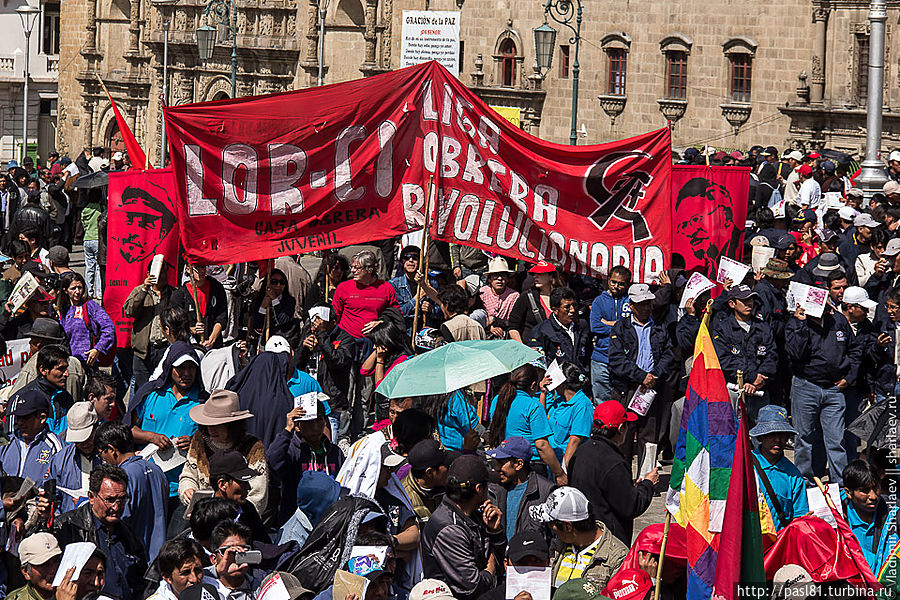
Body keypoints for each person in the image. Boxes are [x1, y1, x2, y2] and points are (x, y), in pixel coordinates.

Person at [786, 299, 861, 486]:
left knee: (836, 440)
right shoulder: (795, 321)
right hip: (806, 387)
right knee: (805, 439)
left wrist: (849, 378)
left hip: (834, 389)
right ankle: (805, 484)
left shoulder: (838, 320)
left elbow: (855, 350)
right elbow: (795, 353)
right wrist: (801, 324)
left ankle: (841, 488)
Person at [51, 464, 148, 600]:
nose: (116, 506)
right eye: (110, 499)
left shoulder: (129, 534)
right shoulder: (66, 527)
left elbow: (141, 580)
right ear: (91, 497)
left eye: (122, 499)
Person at [567, 402, 658, 545]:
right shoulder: (614, 462)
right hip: (608, 542)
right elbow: (631, 506)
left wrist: (628, 486)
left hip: (582, 535)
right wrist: (648, 484)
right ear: (621, 429)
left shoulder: (581, 452)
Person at [421, 455, 505, 600]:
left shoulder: (475, 515)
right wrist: (490, 571)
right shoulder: (449, 528)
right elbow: (471, 586)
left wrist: (495, 532)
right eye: (487, 485)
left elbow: (499, 560)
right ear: (479, 489)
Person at [130, 342, 206, 501]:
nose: (186, 373)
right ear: (170, 368)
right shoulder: (151, 395)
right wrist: (151, 437)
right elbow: (128, 430)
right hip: (147, 483)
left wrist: (195, 442)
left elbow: (214, 440)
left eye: (191, 368)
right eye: (180, 368)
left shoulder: (203, 402)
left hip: (183, 488)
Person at [608, 283, 674, 465]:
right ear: (631, 305)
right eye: (641, 303)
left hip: (651, 389)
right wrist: (640, 376)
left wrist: (653, 376)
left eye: (648, 303)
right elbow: (616, 360)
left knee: (649, 435)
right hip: (627, 389)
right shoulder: (620, 328)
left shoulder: (659, 328)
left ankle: (646, 480)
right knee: (625, 435)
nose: (646, 307)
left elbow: (668, 355)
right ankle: (622, 478)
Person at [180, 389, 268, 515]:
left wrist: (227, 515)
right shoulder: (199, 439)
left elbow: (257, 495)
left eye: (218, 425)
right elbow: (189, 474)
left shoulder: (253, 447)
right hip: (202, 516)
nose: (211, 430)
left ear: (233, 425)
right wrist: (188, 489)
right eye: (208, 424)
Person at [95, 421, 168, 562]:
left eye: (101, 454)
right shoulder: (157, 470)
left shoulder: (121, 478)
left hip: (136, 560)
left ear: (111, 449)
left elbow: (120, 520)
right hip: (159, 560)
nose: (102, 460)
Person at [530, 486, 627, 589]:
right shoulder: (557, 547)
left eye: (551, 523)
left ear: (567, 527)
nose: (549, 527)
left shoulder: (616, 558)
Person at [487, 364, 566, 485]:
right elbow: (541, 445)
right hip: (529, 466)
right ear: (533, 385)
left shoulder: (497, 400)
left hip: (504, 461)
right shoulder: (533, 405)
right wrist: (559, 473)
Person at [710, 284, 777, 425]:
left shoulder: (763, 326)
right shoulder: (722, 329)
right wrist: (750, 378)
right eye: (744, 300)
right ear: (732, 303)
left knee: (761, 437)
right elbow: (724, 360)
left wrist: (760, 378)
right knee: (733, 436)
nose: (749, 304)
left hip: (760, 391)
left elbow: (772, 355)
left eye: (751, 300)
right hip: (733, 392)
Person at [267, 399, 344, 521]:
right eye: (309, 422)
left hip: (329, 519)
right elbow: (273, 462)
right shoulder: (292, 451)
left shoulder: (335, 452)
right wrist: (287, 430)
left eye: (319, 420)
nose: (315, 427)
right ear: (298, 426)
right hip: (296, 519)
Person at [296, 305, 357, 442]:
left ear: (333, 322)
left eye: (320, 320)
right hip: (308, 399)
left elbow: (338, 361)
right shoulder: (309, 334)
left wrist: (323, 335)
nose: (316, 324)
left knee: (329, 443)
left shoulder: (345, 339)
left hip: (331, 402)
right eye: (314, 320)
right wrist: (304, 349)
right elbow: (296, 367)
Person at [749, 406, 809, 531]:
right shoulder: (746, 464)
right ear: (760, 437)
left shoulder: (794, 475)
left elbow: (799, 515)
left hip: (778, 544)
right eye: (772, 435)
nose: (778, 440)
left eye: (782, 435)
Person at [486, 436, 553, 543]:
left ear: (519, 464)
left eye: (501, 463)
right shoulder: (494, 489)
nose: (497, 468)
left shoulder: (544, 491)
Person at [841, 460, 900, 576]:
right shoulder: (836, 517)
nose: (873, 496)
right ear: (848, 492)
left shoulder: (894, 511)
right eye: (864, 491)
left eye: (875, 488)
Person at [124, 259, 173, 390]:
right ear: (149, 274)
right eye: (158, 272)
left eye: (164, 272)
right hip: (143, 351)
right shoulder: (140, 291)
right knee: (143, 390)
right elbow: (129, 311)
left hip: (164, 348)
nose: (162, 276)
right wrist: (144, 289)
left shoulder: (173, 294)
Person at [8, 344, 75, 436]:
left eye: (66, 368)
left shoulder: (66, 398)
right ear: (43, 370)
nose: (66, 374)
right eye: (61, 369)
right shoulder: (20, 399)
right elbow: (11, 439)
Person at [0, 389, 64, 484]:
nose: (20, 422)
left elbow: (61, 484)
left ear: (42, 418)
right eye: (18, 417)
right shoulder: (6, 443)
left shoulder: (55, 447)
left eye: (25, 417)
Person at [48, 402, 102, 512]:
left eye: (87, 438)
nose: (83, 443)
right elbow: (52, 496)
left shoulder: (109, 456)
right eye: (78, 441)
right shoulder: (60, 460)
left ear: (97, 427)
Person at [332, 250, 398, 340]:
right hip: (347, 342)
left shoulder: (386, 288)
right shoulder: (343, 288)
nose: (352, 270)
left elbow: (395, 314)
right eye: (352, 267)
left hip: (375, 341)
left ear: (369, 269)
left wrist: (381, 323)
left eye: (357, 268)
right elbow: (335, 316)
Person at [589, 266, 632, 404]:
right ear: (608, 281)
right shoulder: (599, 301)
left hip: (625, 360)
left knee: (621, 402)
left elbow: (632, 327)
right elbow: (595, 326)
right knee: (601, 402)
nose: (616, 286)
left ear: (627, 284)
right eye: (613, 282)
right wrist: (620, 326)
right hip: (601, 359)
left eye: (621, 283)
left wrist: (609, 323)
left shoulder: (631, 301)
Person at [207, 450, 268, 542]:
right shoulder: (204, 514)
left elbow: (263, 543)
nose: (248, 487)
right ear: (222, 484)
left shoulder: (248, 509)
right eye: (242, 482)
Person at [56, 271, 115, 366]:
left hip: (88, 362)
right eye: (73, 288)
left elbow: (109, 328)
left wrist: (98, 349)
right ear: (65, 290)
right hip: (70, 362)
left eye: (80, 287)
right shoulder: (64, 309)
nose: (77, 291)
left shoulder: (91, 306)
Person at [528, 287, 591, 368]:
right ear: (555, 310)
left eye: (574, 305)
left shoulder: (582, 325)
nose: (572, 310)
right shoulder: (540, 332)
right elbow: (536, 365)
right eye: (567, 307)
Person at [170, 264, 228, 349]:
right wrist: (192, 330)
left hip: (214, 346)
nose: (201, 271)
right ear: (188, 269)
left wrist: (212, 338)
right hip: (190, 347)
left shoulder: (216, 288)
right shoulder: (179, 295)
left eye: (203, 267)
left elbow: (222, 317)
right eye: (197, 267)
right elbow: (175, 325)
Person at [546, 362, 593, 466]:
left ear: (562, 384)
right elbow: (544, 420)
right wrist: (543, 393)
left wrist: (564, 470)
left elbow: (575, 440)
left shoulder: (582, 405)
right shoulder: (559, 400)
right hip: (552, 459)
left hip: (564, 461)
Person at [401, 439, 454, 525]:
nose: (450, 469)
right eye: (447, 466)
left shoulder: (449, 485)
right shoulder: (404, 499)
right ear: (429, 472)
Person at [203, 520, 257, 600]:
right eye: (228, 552)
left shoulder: (259, 587)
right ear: (214, 559)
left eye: (242, 551)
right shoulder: (199, 581)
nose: (235, 557)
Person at [508, 261, 561, 343]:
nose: (535, 276)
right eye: (534, 274)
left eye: (540, 273)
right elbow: (513, 326)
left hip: (557, 348)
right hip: (532, 348)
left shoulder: (562, 296)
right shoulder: (526, 296)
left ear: (551, 276)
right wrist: (523, 348)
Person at [8, 533, 62, 600]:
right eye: (44, 565)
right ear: (26, 572)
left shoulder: (72, 590)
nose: (53, 570)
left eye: (56, 561)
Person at [249, 267, 298, 340]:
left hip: (282, 340)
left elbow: (283, 321)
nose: (278, 285)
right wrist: (262, 307)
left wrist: (275, 300)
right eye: (274, 282)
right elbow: (257, 325)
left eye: (282, 282)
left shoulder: (290, 301)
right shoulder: (258, 300)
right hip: (263, 341)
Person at [479, 257, 519, 337]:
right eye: (495, 276)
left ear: (507, 279)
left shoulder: (514, 296)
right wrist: (489, 327)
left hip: (506, 332)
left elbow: (513, 320)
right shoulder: (482, 292)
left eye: (503, 275)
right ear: (489, 279)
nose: (500, 279)